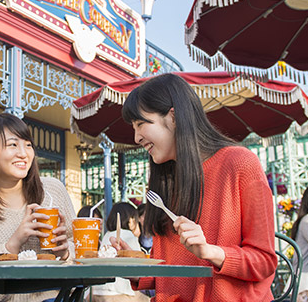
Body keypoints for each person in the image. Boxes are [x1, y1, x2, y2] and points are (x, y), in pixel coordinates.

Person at [113, 73, 277, 301]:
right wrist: (135, 265)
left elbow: (265, 261)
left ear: (174, 117)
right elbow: (171, 269)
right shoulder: (167, 179)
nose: (136, 137)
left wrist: (211, 252)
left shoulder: (239, 164)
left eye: (141, 124)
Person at [0, 113, 75, 302]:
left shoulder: (52, 191)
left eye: (28, 145)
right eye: (13, 145)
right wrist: (12, 246)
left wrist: (65, 253)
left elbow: (82, 255)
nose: (24, 154)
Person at [92, 202, 149, 302]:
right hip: (119, 294)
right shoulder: (129, 235)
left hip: (97, 292)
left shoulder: (107, 235)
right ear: (131, 220)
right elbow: (140, 269)